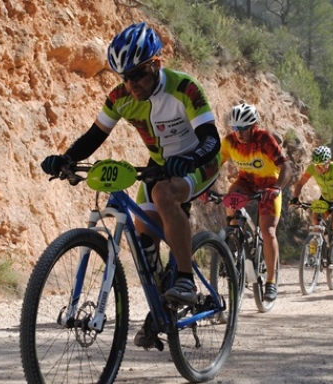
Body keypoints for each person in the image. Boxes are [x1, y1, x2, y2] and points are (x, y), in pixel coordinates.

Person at [40, 22, 221, 346]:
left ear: (156, 65)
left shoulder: (184, 88)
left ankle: (185, 279)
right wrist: (65, 159)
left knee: (164, 194)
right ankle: (160, 312)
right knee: (144, 237)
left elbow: (211, 139)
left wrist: (190, 160)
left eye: (138, 74)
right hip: (160, 164)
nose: (131, 84)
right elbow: (94, 136)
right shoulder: (121, 97)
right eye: (124, 76)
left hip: (199, 160)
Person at [218, 102, 292, 301]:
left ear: (253, 126)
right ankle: (233, 240)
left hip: (269, 184)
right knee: (229, 200)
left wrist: (276, 188)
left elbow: (286, 168)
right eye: (235, 128)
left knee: (268, 231)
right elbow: (212, 166)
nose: (239, 133)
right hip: (247, 181)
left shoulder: (264, 139)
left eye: (243, 128)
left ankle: (270, 280)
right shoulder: (229, 142)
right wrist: (200, 185)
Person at [290, 146, 333, 267]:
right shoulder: (312, 168)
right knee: (315, 222)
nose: (318, 168)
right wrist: (295, 198)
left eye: (321, 165)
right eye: (316, 165)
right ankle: (313, 252)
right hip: (325, 200)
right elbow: (300, 183)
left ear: (329, 162)